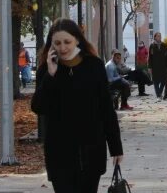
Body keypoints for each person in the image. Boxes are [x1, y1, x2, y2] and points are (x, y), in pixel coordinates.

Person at [31, 18, 123, 192]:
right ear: (51, 44)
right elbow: (38, 107)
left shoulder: (94, 65)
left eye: (67, 42)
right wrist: (51, 76)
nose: (62, 48)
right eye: (57, 43)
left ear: (77, 40)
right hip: (59, 152)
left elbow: (106, 108)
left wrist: (115, 147)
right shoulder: (47, 69)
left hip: (91, 150)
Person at [148, 32, 167, 100]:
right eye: (158, 36)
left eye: (160, 36)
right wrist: (149, 66)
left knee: (163, 80)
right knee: (155, 81)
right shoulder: (152, 45)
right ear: (155, 37)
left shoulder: (164, 45)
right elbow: (150, 57)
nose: (159, 37)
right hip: (155, 66)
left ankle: (160, 92)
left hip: (163, 65)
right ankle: (158, 95)